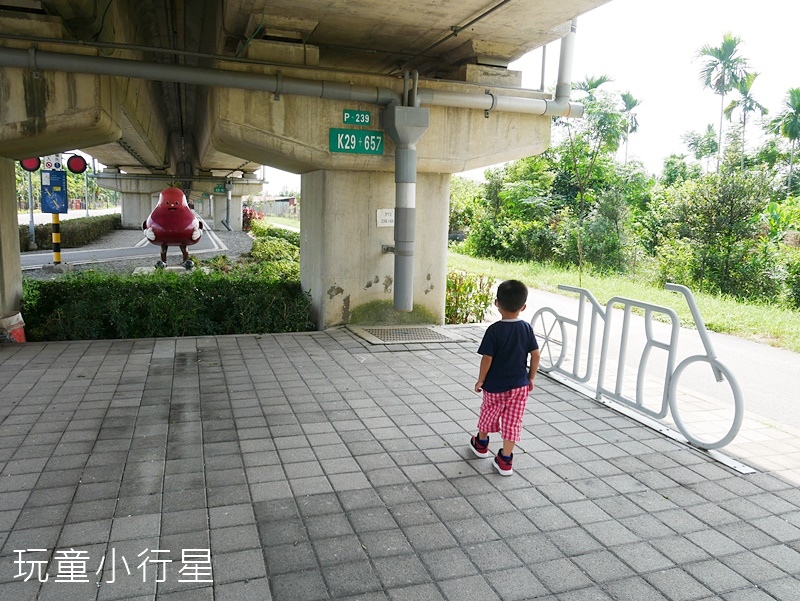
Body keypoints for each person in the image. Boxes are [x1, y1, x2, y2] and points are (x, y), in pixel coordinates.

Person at [470, 280, 540, 476]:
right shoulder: (526, 328)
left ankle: (482, 444)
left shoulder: (494, 330)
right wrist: (531, 378)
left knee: (489, 412)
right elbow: (535, 355)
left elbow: (487, 358)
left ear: (497, 303)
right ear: (523, 307)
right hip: (519, 386)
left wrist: (481, 380)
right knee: (513, 420)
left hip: (495, 386)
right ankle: (505, 460)